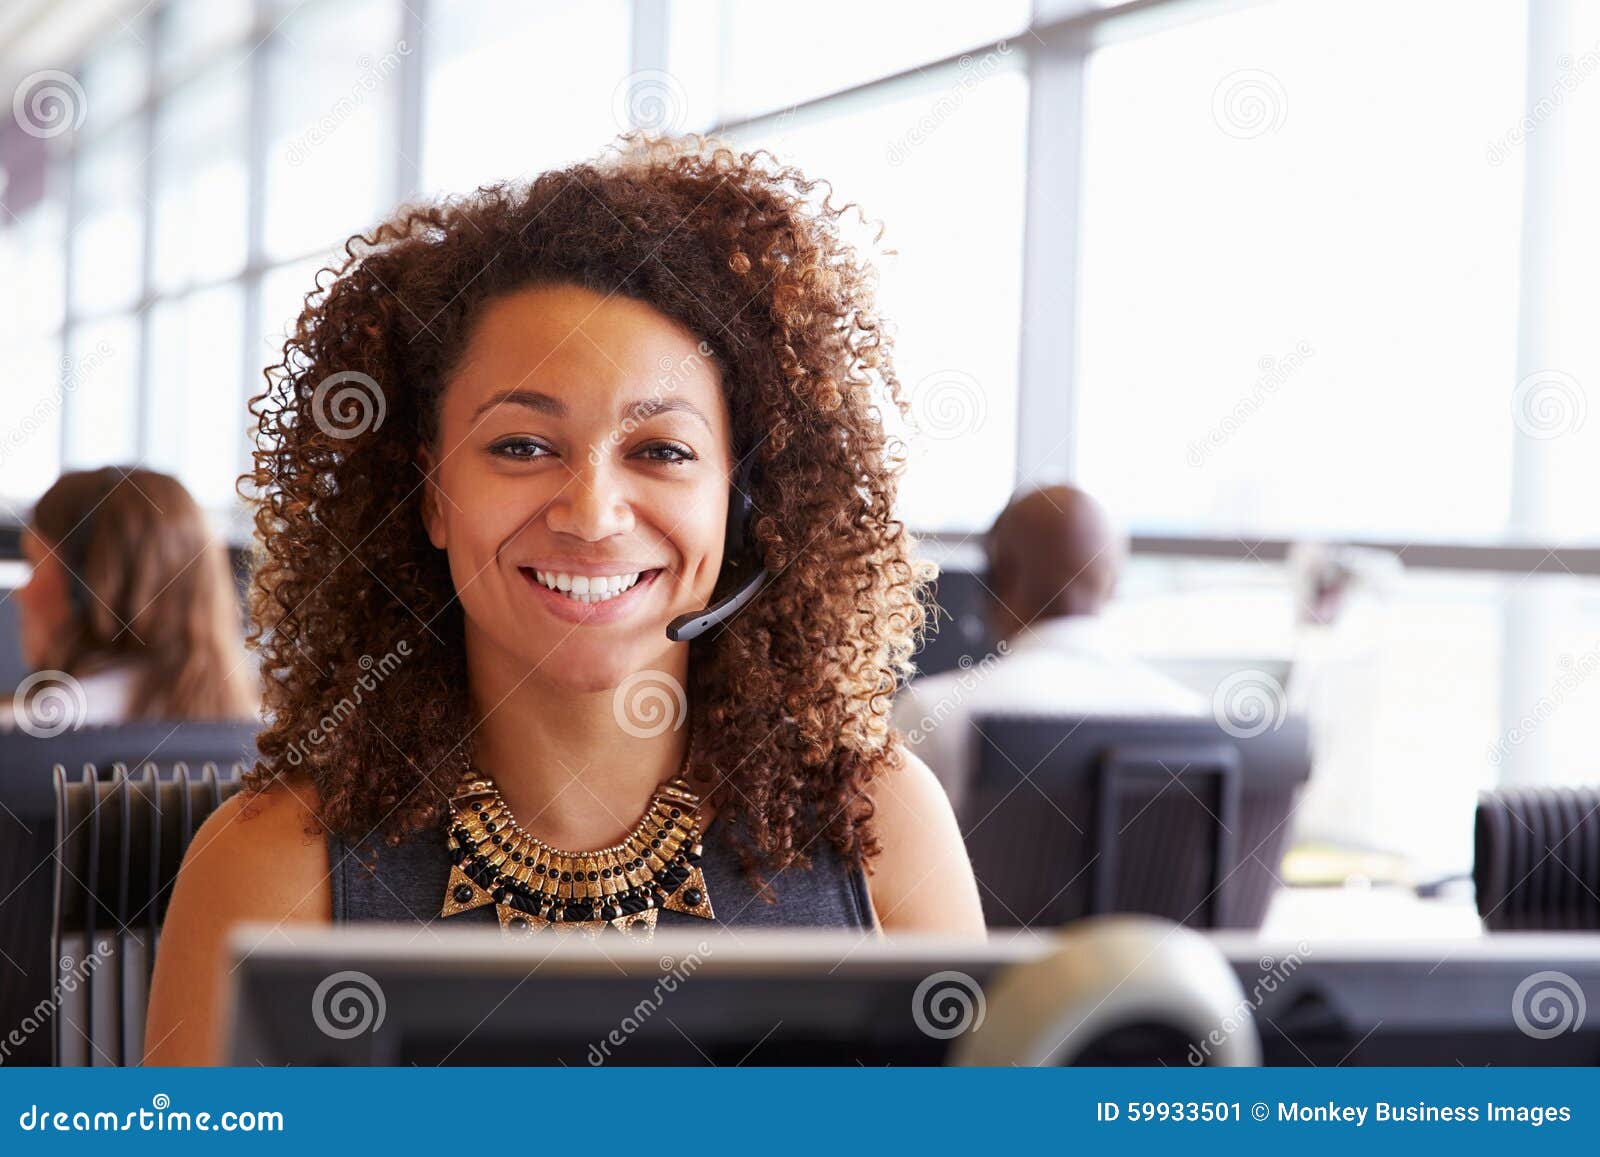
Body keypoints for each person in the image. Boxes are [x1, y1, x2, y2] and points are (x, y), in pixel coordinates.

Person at [145, 133, 985, 1066]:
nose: (591, 513)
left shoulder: (880, 828)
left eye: (660, 451)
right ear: (428, 491)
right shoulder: (270, 865)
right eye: (521, 446)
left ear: (743, 505)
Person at [893, 484, 1206, 818]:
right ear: (1113, 583)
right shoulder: (1190, 719)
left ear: (998, 579)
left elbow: (881, 860)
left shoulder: (931, 712)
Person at [6, 466, 258, 728]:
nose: (20, 593)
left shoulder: (26, 734)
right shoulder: (258, 738)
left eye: (36, 565)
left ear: (84, 588)